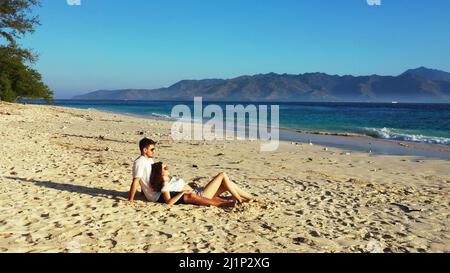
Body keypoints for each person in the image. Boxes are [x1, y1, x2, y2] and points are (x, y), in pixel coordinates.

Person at [150, 162, 263, 206]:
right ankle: (239, 199)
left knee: (227, 183)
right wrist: (183, 193)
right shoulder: (165, 185)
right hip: (201, 195)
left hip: (199, 190)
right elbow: (169, 202)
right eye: (165, 168)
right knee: (222, 175)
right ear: (160, 172)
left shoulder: (169, 178)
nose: (167, 167)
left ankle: (250, 198)